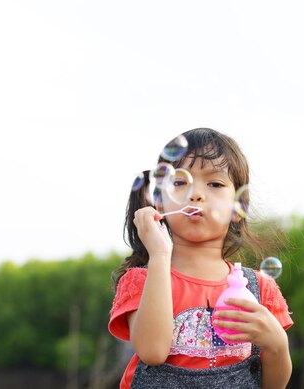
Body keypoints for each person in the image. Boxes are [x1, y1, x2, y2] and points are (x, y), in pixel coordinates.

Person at [108, 128, 293, 388]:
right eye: (180, 183)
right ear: (159, 202)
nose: (195, 194)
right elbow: (152, 351)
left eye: (215, 184)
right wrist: (159, 253)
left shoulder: (259, 289)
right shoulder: (143, 280)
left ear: (239, 207)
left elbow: (272, 385)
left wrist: (277, 345)